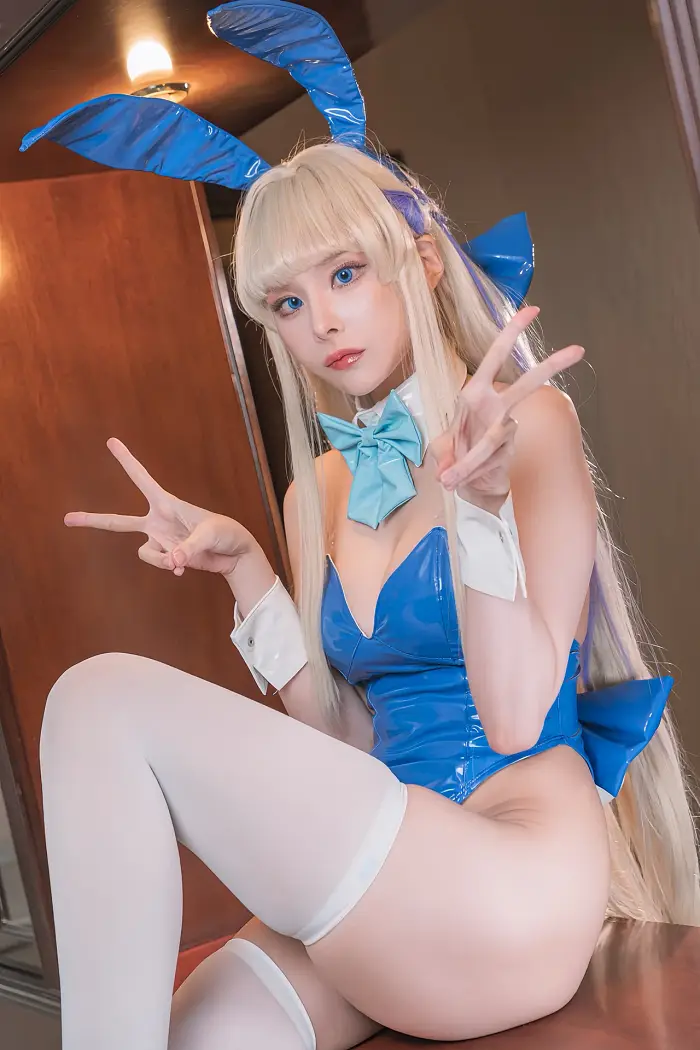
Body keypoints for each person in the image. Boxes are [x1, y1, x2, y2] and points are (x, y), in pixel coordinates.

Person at [23, 3, 700, 1048]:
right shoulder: (320, 493)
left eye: (344, 275)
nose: (322, 321)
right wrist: (251, 577)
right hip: (394, 873)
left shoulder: (534, 428)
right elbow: (345, 749)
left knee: (96, 696)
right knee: (196, 1037)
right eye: (287, 303)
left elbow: (516, 720)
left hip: (510, 884)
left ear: (418, 263)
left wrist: (479, 511)